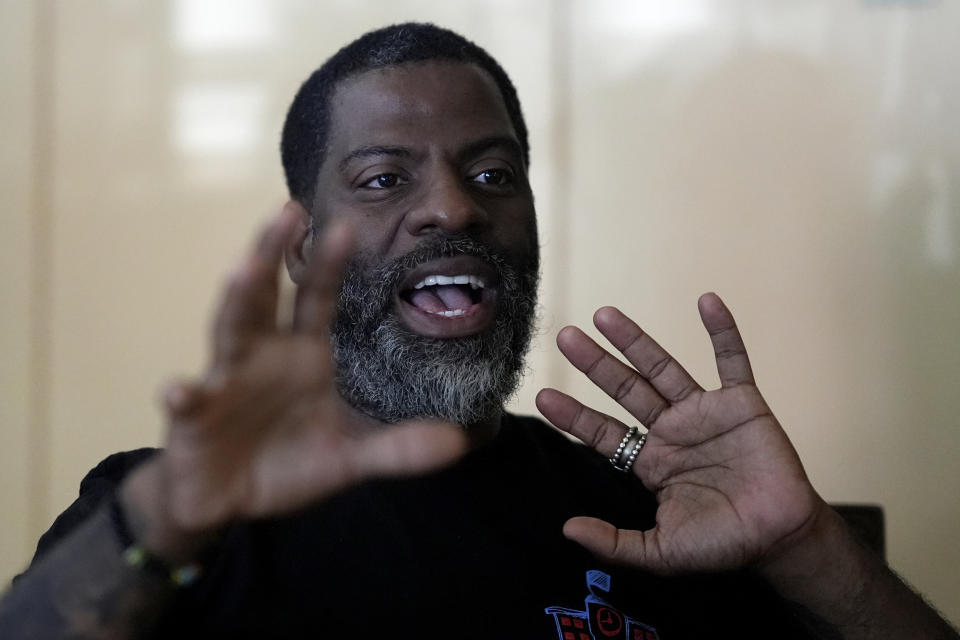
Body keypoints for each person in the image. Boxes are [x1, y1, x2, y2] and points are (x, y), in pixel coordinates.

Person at [0, 22, 956, 639]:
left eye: (494, 174)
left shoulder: (666, 511)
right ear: (299, 246)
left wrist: (805, 549)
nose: (453, 210)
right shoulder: (167, 510)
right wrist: (169, 516)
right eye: (384, 178)